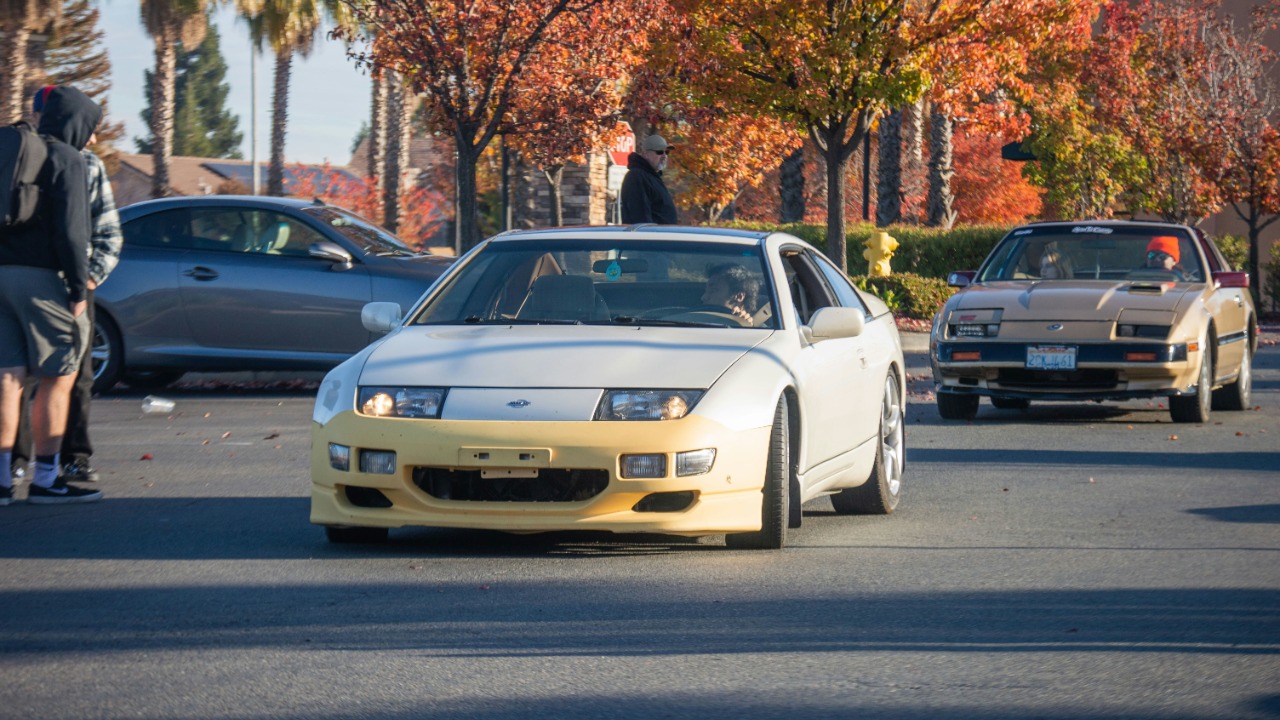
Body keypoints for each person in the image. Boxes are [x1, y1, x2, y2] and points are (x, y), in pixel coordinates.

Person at [10, 86, 122, 486]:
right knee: (50, 379)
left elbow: (104, 233)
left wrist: (86, 280)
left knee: (27, 378)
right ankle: (36, 469)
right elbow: (73, 233)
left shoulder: (19, 156)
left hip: (32, 280)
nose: (92, 139)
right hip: (54, 282)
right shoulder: (65, 160)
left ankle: (37, 467)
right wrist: (79, 285)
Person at [619, 134, 677, 225]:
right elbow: (640, 219)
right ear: (646, 154)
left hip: (662, 233)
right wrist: (648, 233)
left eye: (667, 152)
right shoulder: (637, 177)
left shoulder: (651, 177)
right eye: (659, 152)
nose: (664, 155)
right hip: (649, 234)